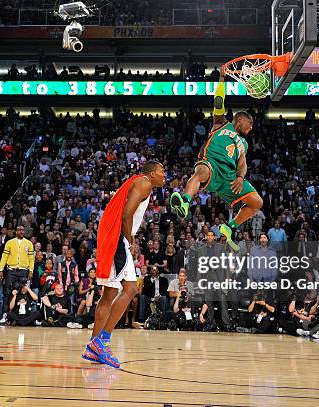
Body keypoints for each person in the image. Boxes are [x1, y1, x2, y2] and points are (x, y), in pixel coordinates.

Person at [83, 160, 166, 368]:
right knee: (129, 289)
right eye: (162, 170)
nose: (165, 174)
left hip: (112, 234)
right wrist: (130, 239)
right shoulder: (144, 183)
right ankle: (102, 341)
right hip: (117, 237)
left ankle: (93, 347)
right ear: (152, 172)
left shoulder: (137, 182)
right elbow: (127, 213)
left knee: (110, 293)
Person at [169, 67, 262, 250]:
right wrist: (221, 78)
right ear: (240, 119)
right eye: (249, 124)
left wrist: (240, 177)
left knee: (257, 202)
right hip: (211, 165)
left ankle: (229, 227)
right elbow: (219, 99)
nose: (251, 128)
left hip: (229, 177)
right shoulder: (221, 123)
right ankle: (185, 203)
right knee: (201, 171)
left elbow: (242, 164)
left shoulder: (244, 144)